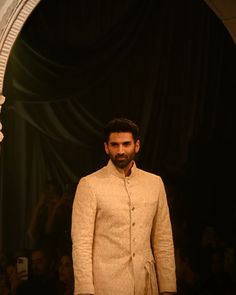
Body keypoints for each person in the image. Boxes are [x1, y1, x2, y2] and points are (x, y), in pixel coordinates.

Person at [71, 118, 177, 295]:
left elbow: (163, 239)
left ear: (137, 145)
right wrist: (84, 290)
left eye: (126, 144)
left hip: (145, 285)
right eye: (115, 145)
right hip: (105, 285)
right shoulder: (90, 184)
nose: (120, 151)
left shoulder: (154, 183)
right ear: (106, 147)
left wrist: (168, 287)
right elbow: (81, 243)